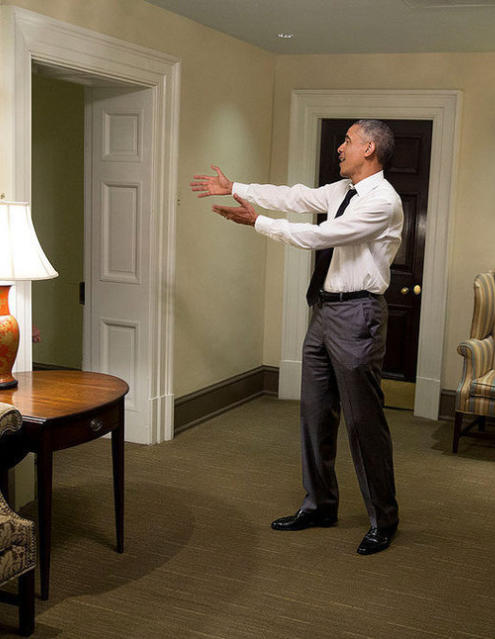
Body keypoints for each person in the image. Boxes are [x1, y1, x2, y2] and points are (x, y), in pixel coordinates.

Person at [190, 120, 403, 555]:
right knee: (315, 414)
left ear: (369, 148)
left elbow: (320, 236)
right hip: (324, 312)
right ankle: (320, 505)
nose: (340, 147)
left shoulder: (383, 202)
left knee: (363, 423)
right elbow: (296, 195)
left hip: (359, 315)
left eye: (347, 140)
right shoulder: (342, 191)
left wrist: (258, 224)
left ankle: (384, 518)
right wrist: (235, 188)